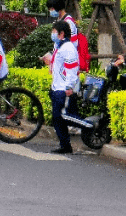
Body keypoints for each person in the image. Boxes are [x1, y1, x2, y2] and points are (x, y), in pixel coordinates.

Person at [47, 20, 80, 154]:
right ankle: (65, 144)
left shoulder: (68, 48)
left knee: (60, 117)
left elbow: (72, 69)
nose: (52, 34)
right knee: (60, 117)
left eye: (54, 32)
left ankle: (66, 145)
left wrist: (69, 87)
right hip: (58, 88)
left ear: (61, 34)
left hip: (63, 90)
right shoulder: (59, 46)